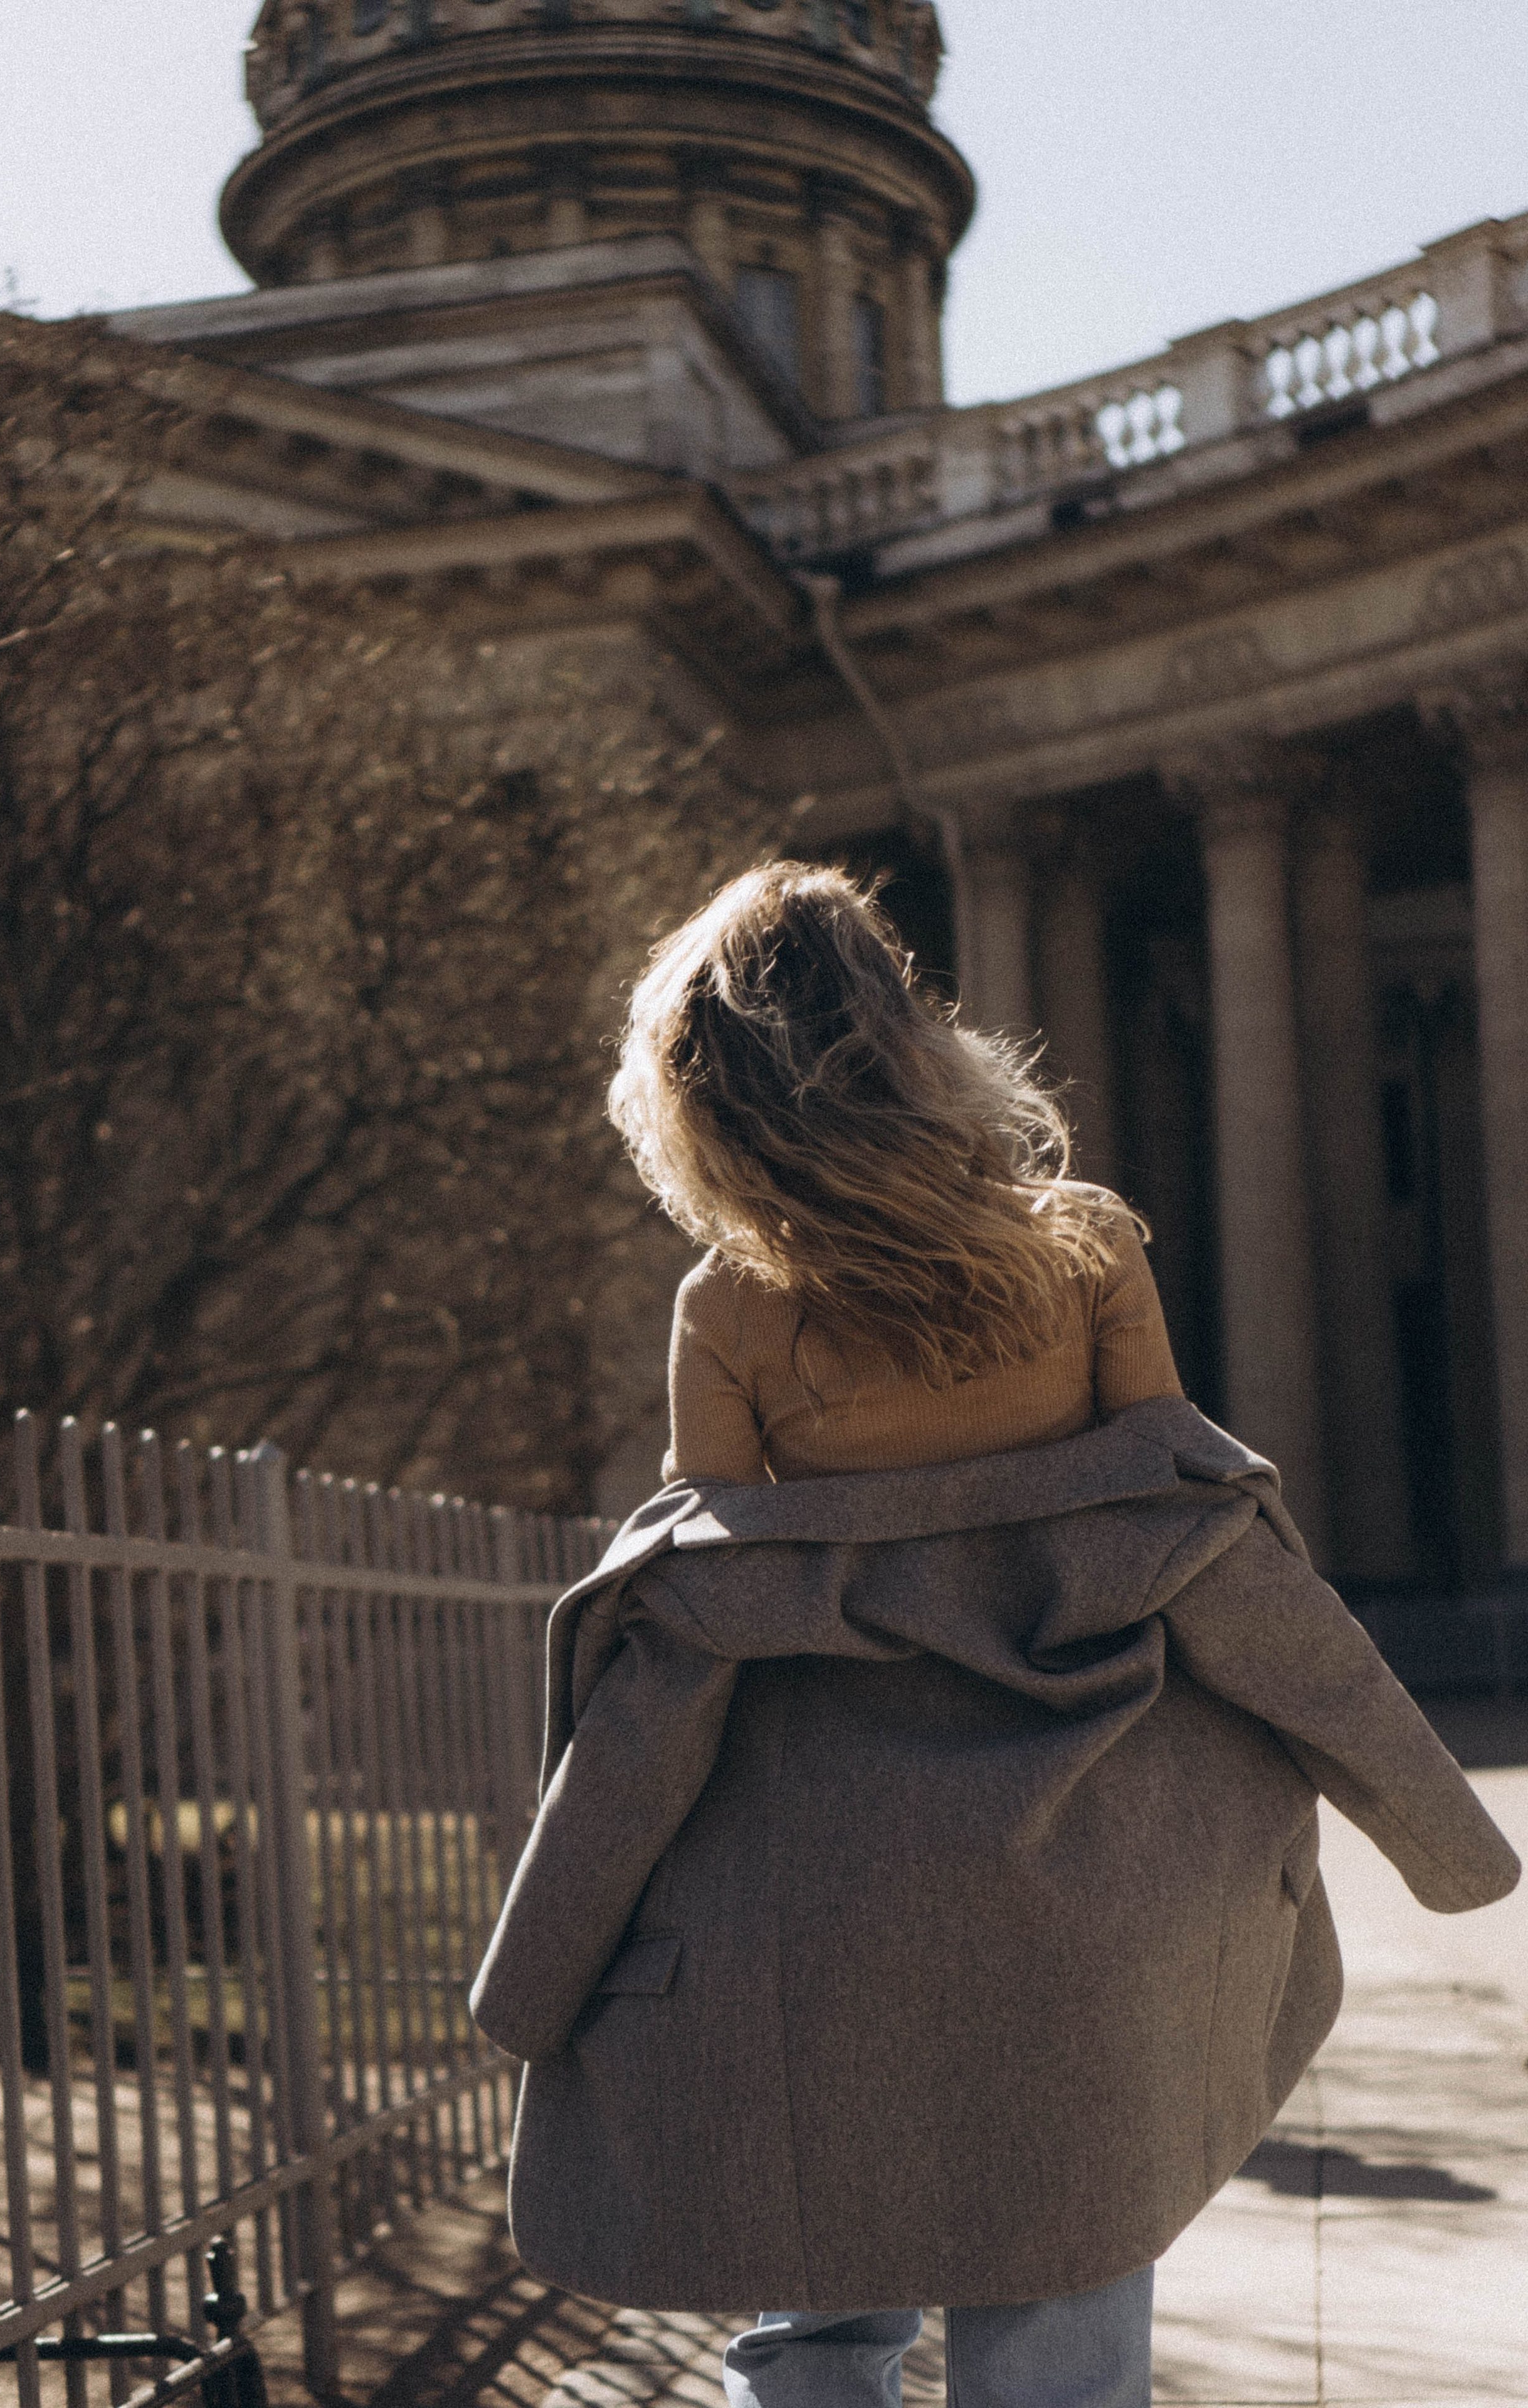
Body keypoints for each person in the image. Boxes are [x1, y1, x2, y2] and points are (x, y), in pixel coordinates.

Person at [472, 862, 1519, 2408]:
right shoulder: (1080, 1250)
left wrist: (534, 1974)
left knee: (816, 2326)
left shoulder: (731, 1308)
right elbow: (1210, 1556)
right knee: (1061, 2319)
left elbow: (692, 1632)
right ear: (906, 1037)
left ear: (703, 1098)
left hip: (813, 1925)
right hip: (1076, 1907)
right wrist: (1444, 1839)